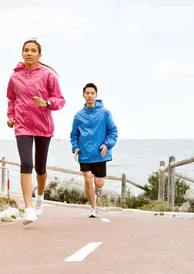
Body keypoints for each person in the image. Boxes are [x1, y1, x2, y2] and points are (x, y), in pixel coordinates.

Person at [6, 39, 65, 225]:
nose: (29, 53)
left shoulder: (48, 76)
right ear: (22, 53)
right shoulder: (15, 77)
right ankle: (28, 208)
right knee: (26, 163)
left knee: (40, 167)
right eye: (26, 50)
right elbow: (11, 99)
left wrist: (47, 103)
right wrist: (11, 116)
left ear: (39, 55)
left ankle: (40, 196)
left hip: (43, 126)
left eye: (33, 51)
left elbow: (60, 100)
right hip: (22, 125)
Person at [70, 83, 118, 218]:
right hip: (84, 153)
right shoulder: (78, 116)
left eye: (92, 93)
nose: (90, 95)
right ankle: (93, 208)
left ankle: (97, 190)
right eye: (87, 93)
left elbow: (113, 132)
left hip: (100, 153)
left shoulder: (104, 113)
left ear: (96, 95)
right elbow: (74, 135)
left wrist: (107, 145)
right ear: (83, 96)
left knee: (99, 182)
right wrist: (76, 147)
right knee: (87, 179)